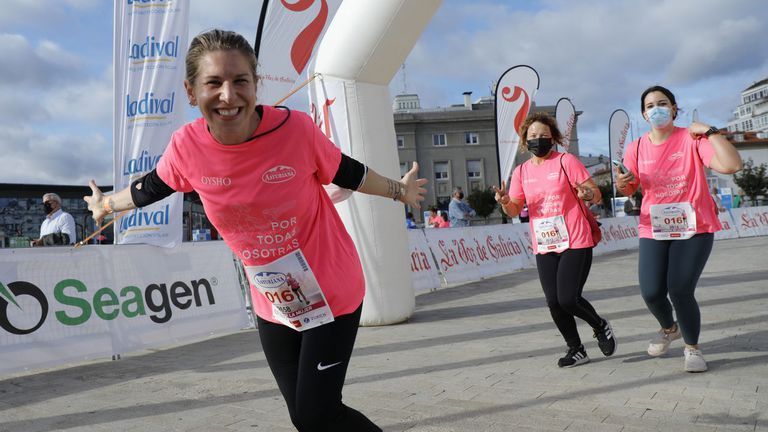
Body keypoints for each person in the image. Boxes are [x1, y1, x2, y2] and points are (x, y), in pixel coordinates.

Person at [83, 29, 427, 431]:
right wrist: (105, 204)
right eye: (214, 83)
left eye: (240, 81)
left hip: (332, 288)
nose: (228, 96)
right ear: (192, 92)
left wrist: (398, 190)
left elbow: (347, 171)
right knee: (303, 416)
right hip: (274, 301)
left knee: (319, 413)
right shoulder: (186, 148)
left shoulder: (295, 131)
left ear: (255, 85)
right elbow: (150, 187)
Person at [616, 85, 742, 373]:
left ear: (674, 108)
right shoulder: (635, 147)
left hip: (695, 227)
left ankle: (692, 348)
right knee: (650, 291)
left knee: (680, 289)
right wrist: (624, 185)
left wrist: (710, 131)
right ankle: (668, 327)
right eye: (650, 106)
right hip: (654, 228)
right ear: (643, 114)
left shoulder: (692, 138)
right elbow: (631, 186)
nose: (656, 109)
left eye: (662, 103)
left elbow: (732, 164)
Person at [493, 112, 616, 368]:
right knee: (554, 302)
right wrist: (506, 202)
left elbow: (596, 196)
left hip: (575, 239)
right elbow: (515, 210)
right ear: (525, 141)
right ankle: (576, 349)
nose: (539, 140)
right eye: (533, 136)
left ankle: (599, 325)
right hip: (545, 243)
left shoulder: (566, 162)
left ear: (554, 139)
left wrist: (586, 193)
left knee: (568, 299)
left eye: (544, 136)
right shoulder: (522, 172)